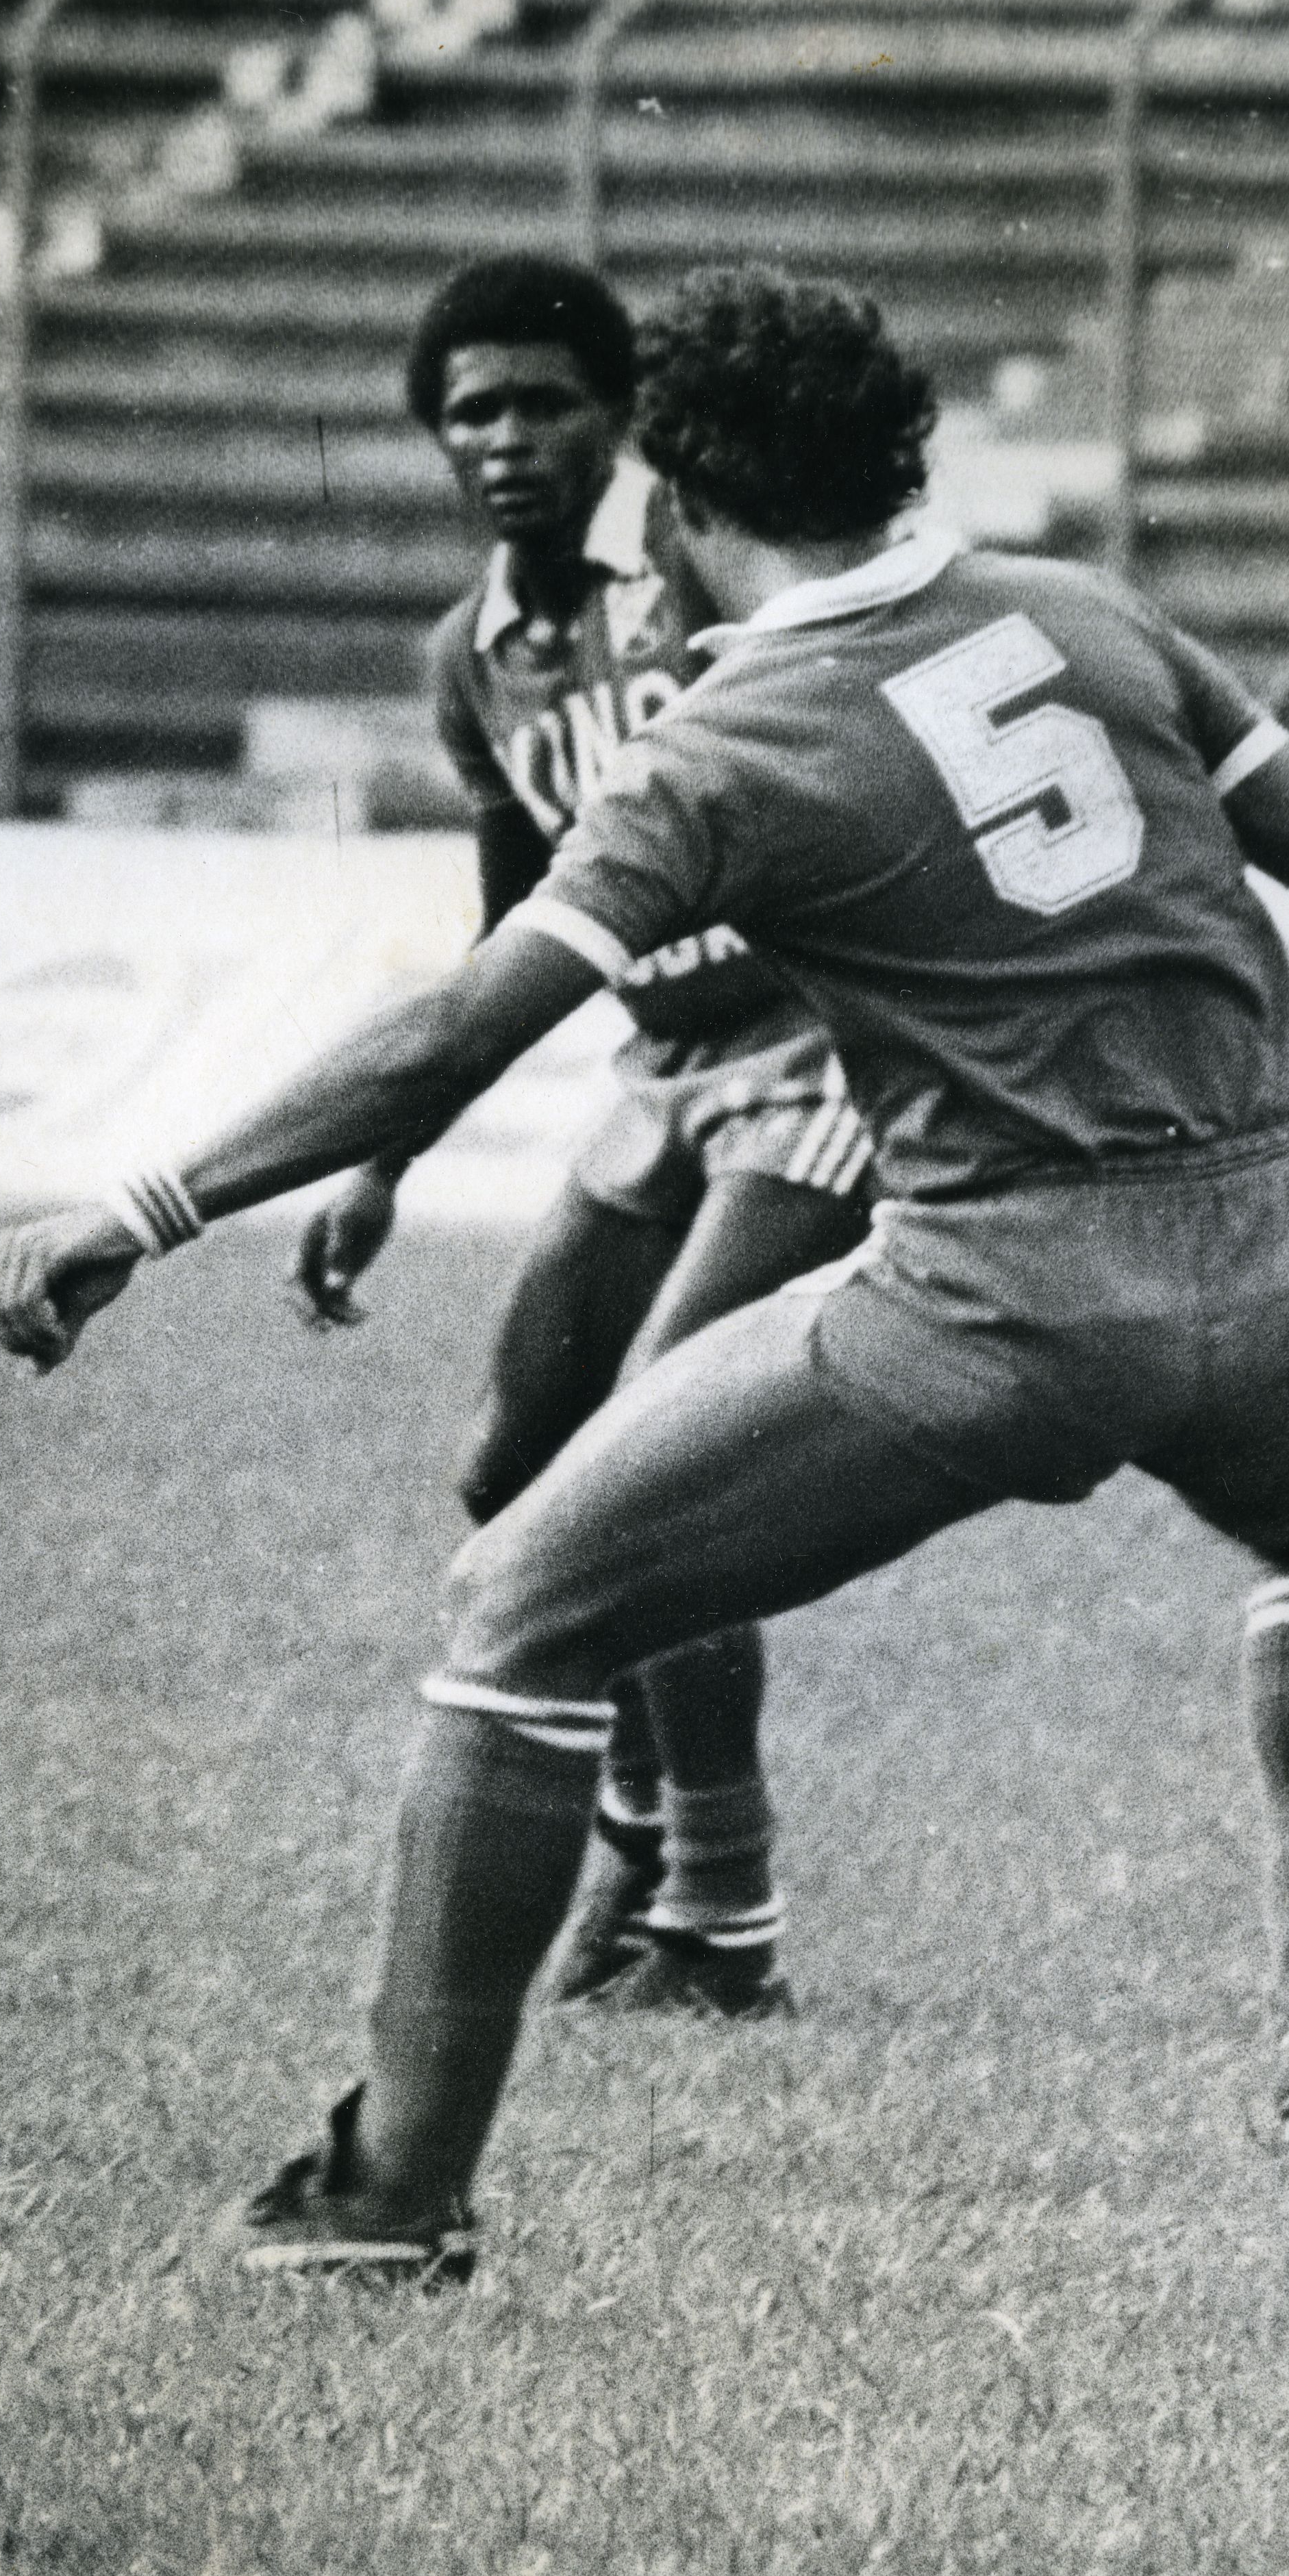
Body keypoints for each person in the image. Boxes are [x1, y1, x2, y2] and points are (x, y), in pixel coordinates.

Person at [0, 265, 1289, 2296]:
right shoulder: (1086, 611)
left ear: (678, 497)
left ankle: (391, 2189)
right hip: (1278, 1254)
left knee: (518, 1600)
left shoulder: (729, 735)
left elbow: (452, 1035)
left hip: (1000, 1292)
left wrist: (145, 1204)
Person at [286, 256, 878, 2020]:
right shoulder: (469, 654)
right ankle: (632, 1801)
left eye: (546, 404)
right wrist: (386, 1156)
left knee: (661, 1462)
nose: (508, 439)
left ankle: (723, 1913)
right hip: (665, 1075)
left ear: (621, 424)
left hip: (815, 1061)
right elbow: (514, 918)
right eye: (472, 411)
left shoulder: (688, 592)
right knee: (509, 1465)